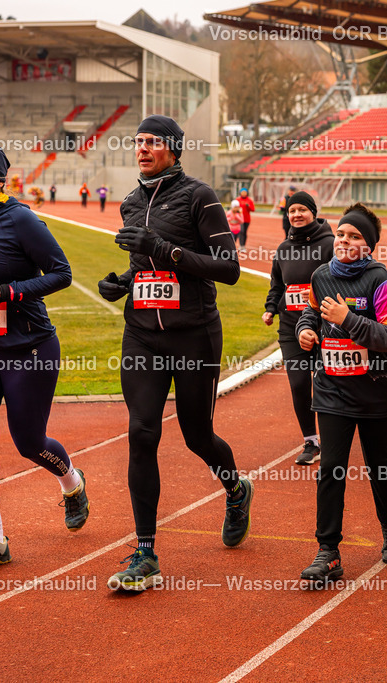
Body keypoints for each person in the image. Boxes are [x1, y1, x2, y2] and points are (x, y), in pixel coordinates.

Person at [98, 115, 250, 592]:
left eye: (152, 142)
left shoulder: (199, 196)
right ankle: (146, 551)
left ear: (175, 149)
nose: (142, 148)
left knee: (196, 435)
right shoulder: (129, 202)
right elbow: (141, 265)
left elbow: (228, 269)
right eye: (138, 141)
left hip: (193, 336)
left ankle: (235, 487)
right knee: (141, 433)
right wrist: (120, 284)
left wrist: (164, 249)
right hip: (142, 334)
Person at [0, 140, 86, 575]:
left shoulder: (21, 219)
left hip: (27, 348)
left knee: (29, 443)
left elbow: (61, 274)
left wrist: (4, 292)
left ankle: (71, 480)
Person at [296, 203, 387, 586]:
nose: (344, 241)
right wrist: (305, 332)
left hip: (374, 392)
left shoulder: (380, 282)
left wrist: (349, 321)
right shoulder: (321, 276)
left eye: (355, 237)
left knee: (380, 467)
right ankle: (328, 552)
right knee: (331, 470)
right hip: (331, 389)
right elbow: (310, 312)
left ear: (369, 246)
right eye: (341, 233)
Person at [263, 191, 333, 466]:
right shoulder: (283, 248)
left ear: (313, 212)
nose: (296, 215)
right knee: (299, 383)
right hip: (291, 326)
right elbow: (277, 284)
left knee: (327, 383)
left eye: (302, 209)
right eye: (292, 211)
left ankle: (334, 436)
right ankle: (311, 441)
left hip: (325, 326)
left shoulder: (329, 244)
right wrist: (270, 308)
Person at [235, 187, 255, 253]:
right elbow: (234, 208)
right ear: (240, 193)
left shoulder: (249, 200)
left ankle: (244, 245)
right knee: (241, 231)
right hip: (240, 219)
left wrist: (248, 206)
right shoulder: (237, 200)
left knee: (245, 232)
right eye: (242, 192)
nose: (243, 193)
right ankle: (241, 245)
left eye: (245, 192)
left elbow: (253, 209)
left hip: (247, 219)